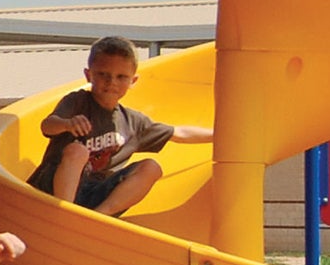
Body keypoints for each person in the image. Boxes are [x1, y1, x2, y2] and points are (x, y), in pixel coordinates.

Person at [32, 34, 208, 218]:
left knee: (151, 167)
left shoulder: (132, 121)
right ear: (88, 75)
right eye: (103, 74)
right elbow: (47, 126)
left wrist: (223, 136)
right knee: (78, 151)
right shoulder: (78, 101)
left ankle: (99, 217)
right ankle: (65, 214)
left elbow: (179, 132)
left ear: (133, 81)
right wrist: (66, 124)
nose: (112, 82)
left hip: (93, 194)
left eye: (121, 76)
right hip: (55, 187)